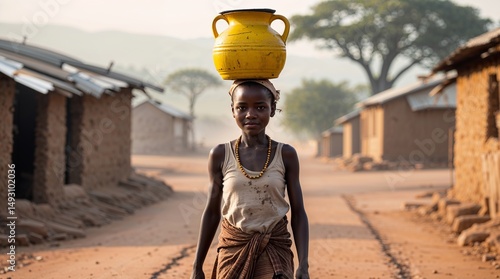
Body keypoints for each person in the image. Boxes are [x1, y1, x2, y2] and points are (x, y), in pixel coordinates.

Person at [191, 79, 309, 279]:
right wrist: (197, 266)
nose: (251, 114)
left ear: (272, 109)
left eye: (260, 107)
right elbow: (212, 212)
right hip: (233, 248)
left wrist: (303, 265)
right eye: (242, 107)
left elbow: (298, 213)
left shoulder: (286, 154)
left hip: (274, 248)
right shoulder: (221, 154)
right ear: (233, 110)